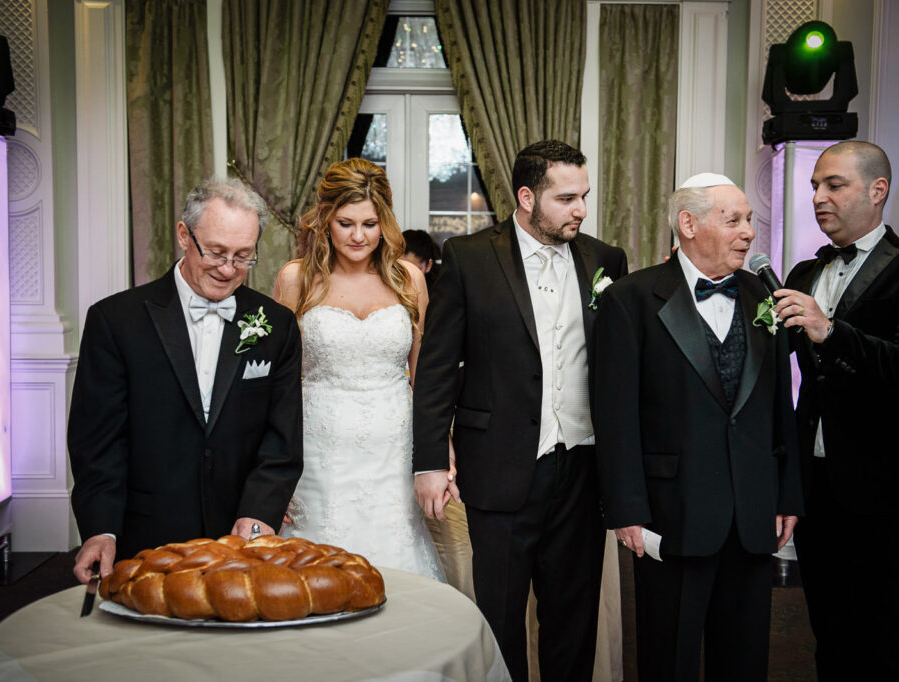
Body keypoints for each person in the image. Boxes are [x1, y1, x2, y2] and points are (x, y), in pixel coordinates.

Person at [413, 140, 628, 682]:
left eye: (584, 196)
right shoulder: (469, 258)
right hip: (500, 465)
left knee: (573, 617)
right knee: (501, 613)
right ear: (527, 197)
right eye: (567, 198)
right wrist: (430, 460)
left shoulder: (606, 260)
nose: (581, 209)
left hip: (582, 469)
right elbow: (436, 368)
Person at [593, 173, 803, 681]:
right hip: (672, 510)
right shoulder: (631, 298)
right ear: (688, 224)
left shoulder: (764, 296)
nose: (748, 232)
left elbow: (782, 406)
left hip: (752, 510)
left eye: (749, 220)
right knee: (669, 656)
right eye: (733, 220)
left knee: (745, 656)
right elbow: (615, 414)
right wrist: (626, 508)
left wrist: (787, 494)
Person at [773, 141, 899, 681]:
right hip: (816, 483)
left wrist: (830, 330)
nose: (818, 197)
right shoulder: (804, 271)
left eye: (835, 185)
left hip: (887, 485)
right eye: (815, 186)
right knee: (829, 632)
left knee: (883, 637)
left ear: (878, 191)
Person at [68, 177, 304, 583]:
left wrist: (259, 512)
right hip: (145, 533)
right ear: (183, 234)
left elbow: (282, 437)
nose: (227, 269)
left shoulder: (277, 325)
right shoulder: (116, 321)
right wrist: (101, 528)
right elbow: (98, 441)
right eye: (215, 252)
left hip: (240, 535)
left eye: (243, 256)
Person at [274, 158, 444, 582]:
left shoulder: (409, 279)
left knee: (397, 567)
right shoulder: (296, 279)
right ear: (325, 218)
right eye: (345, 223)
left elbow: (424, 376)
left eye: (370, 224)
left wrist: (437, 454)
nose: (358, 236)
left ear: (384, 222)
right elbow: (277, 384)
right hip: (319, 452)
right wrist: (273, 472)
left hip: (394, 450)